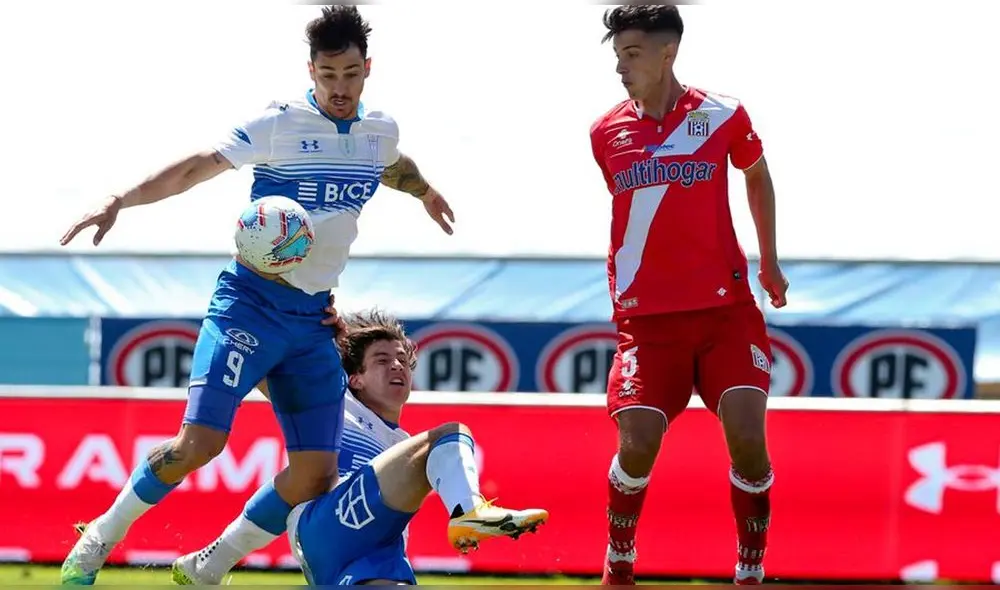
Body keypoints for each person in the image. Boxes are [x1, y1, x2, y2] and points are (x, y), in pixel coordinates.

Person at [57, 6, 454, 585]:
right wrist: (120, 198)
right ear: (310, 71)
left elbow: (393, 166)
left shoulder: (379, 132)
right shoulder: (278, 123)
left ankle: (208, 566)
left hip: (312, 320)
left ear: (367, 68)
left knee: (316, 472)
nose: (338, 88)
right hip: (249, 305)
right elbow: (196, 167)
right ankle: (97, 540)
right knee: (201, 445)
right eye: (327, 75)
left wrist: (425, 191)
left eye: (349, 73)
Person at [589, 5, 789, 586]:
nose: (621, 67)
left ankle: (749, 569)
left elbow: (757, 174)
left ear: (667, 52)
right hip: (647, 324)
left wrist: (769, 261)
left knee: (749, 438)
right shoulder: (605, 132)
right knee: (639, 443)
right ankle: (619, 560)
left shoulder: (723, 114)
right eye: (617, 55)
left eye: (631, 53)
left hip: (727, 313)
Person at [175, 309, 549, 585]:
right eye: (382, 361)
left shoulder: (402, 445)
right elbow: (268, 369)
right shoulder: (335, 403)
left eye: (402, 360)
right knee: (449, 436)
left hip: (372, 554)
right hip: (325, 528)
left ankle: (212, 563)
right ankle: (468, 512)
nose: (397, 367)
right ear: (354, 378)